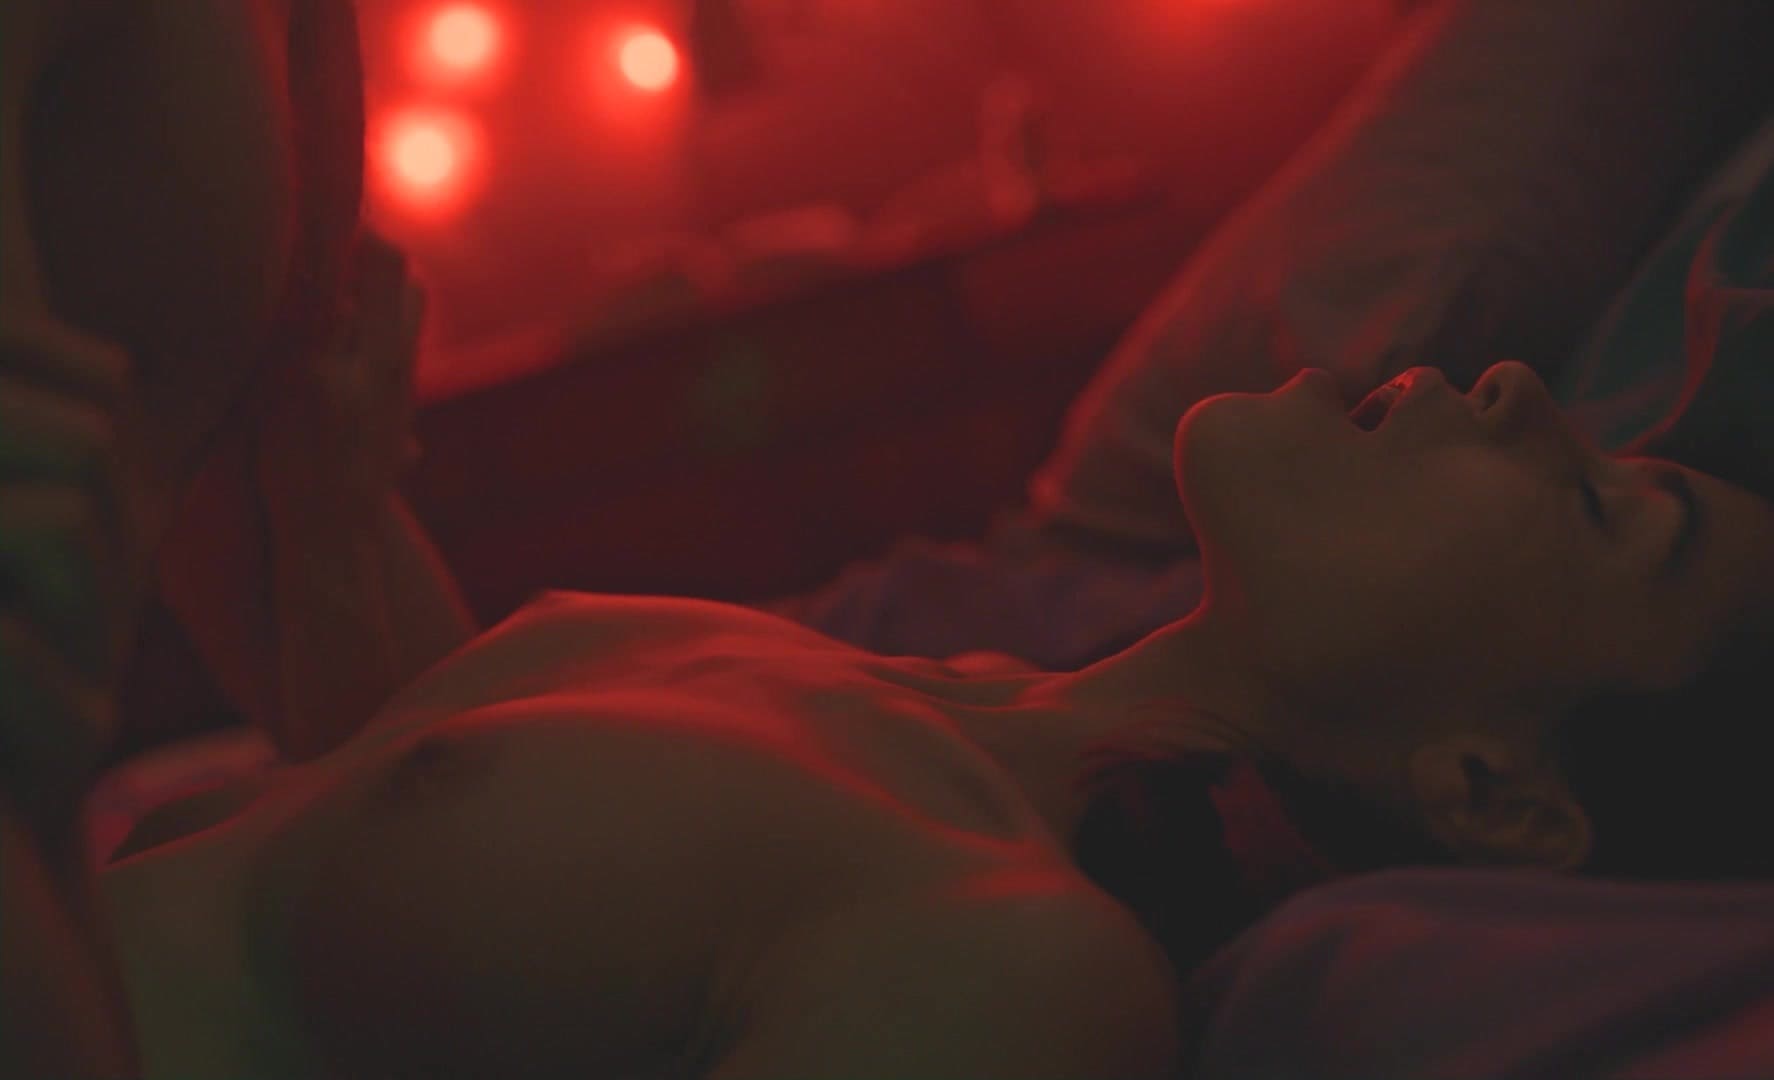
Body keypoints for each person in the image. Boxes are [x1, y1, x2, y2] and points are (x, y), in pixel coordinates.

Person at [7, 6, 1774, 1080]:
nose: (1530, 395)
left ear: (1490, 792)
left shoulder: (1013, 971)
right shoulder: (891, 691)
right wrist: (323, 502)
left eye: (1609, 501)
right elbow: (414, 857)